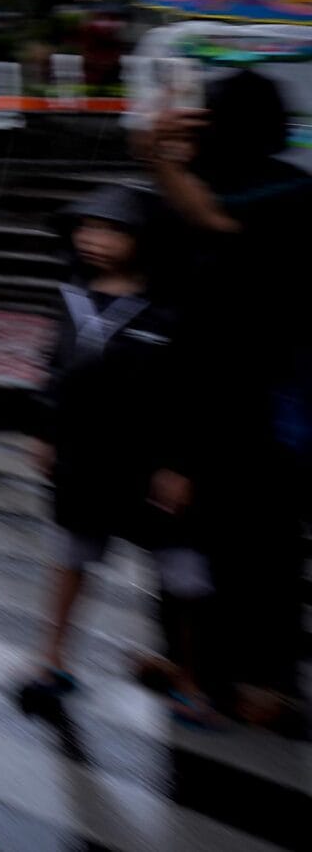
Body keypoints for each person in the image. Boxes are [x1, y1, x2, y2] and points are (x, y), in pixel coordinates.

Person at [145, 68, 312, 726]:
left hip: (264, 400)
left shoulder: (288, 190)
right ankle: (196, 665)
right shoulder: (198, 183)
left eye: (209, 113)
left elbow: (213, 220)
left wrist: (162, 161)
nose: (199, 122)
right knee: (188, 540)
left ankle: (265, 679)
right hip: (194, 389)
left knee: (263, 547)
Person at [18, 184, 212, 722]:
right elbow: (55, 368)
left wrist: (179, 464)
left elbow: (191, 390)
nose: (94, 240)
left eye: (111, 230)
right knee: (70, 560)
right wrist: (46, 432)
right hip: (83, 458)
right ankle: (52, 660)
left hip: (150, 464)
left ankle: (189, 679)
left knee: (180, 576)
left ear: (144, 240)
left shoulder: (171, 307)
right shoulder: (72, 296)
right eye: (87, 228)